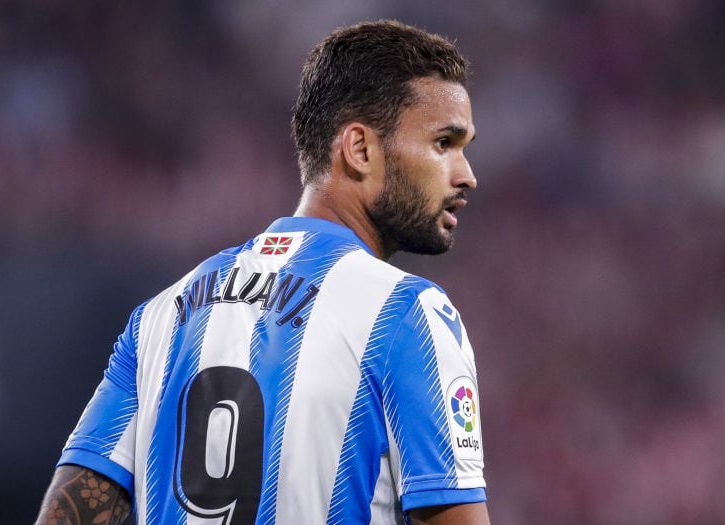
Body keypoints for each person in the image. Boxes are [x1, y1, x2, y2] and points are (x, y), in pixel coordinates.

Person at [35, 19, 488, 525]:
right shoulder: (407, 314)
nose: (466, 173)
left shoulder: (161, 316)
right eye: (444, 143)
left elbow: (66, 515)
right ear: (360, 150)